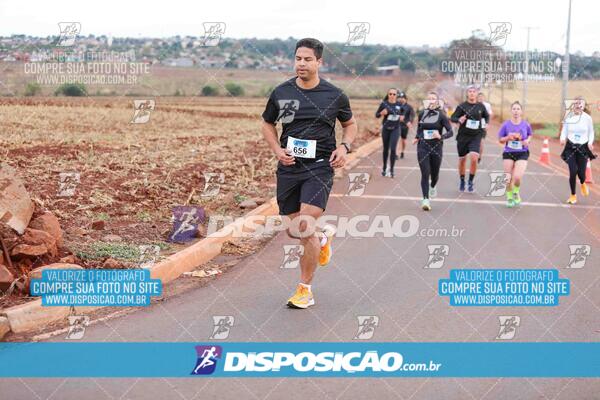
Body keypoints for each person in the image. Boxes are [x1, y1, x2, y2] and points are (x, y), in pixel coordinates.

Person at [261, 38, 357, 309]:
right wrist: (277, 150)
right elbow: (267, 124)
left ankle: (305, 289)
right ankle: (323, 235)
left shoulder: (334, 94)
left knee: (304, 225)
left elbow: (350, 124)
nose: (301, 64)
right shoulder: (281, 92)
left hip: (319, 166)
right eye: (298, 59)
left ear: (319, 62)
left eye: (307, 59)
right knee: (296, 230)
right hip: (290, 167)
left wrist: (344, 146)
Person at [413, 92, 454, 211]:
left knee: (434, 174)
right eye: (429, 98)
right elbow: (419, 129)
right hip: (422, 147)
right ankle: (425, 199)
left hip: (436, 148)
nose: (431, 101)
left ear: (437, 102)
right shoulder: (422, 114)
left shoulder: (442, 115)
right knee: (425, 173)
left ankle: (433, 185)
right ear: (426, 101)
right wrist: (417, 137)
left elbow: (450, 132)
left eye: (433, 99)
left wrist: (440, 136)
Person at [451, 85, 490, 193]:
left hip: (476, 136)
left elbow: (486, 116)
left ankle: (471, 181)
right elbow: (452, 117)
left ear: (477, 94)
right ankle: (462, 180)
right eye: (470, 91)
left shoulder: (481, 106)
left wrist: (486, 124)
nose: (472, 93)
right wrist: (459, 119)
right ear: (467, 93)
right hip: (463, 136)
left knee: (474, 158)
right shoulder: (462, 106)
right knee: (462, 160)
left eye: (474, 91)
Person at [560, 96, 595, 204]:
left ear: (583, 106)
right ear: (573, 105)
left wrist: (590, 143)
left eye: (580, 104)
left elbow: (591, 132)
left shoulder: (587, 118)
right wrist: (562, 138)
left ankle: (583, 183)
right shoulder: (568, 117)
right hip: (570, 147)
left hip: (583, 147)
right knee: (573, 171)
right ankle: (573, 195)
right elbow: (564, 130)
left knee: (581, 173)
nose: (578, 105)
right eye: (576, 103)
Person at [497, 101, 532, 207]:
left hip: (522, 152)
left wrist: (527, 141)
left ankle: (516, 192)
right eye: (514, 109)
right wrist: (508, 137)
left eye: (518, 109)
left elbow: (530, 134)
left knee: (517, 177)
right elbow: (500, 139)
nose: (516, 111)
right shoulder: (506, 125)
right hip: (509, 152)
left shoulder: (525, 124)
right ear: (511, 111)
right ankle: (509, 197)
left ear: (521, 111)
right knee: (508, 178)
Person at [375, 88, 402, 177]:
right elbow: (377, 115)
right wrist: (381, 113)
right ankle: (384, 167)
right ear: (388, 94)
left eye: (394, 94)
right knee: (386, 149)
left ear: (396, 95)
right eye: (390, 94)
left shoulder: (399, 104)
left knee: (393, 149)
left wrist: (403, 117)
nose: (392, 96)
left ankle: (392, 169)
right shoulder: (384, 104)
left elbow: (404, 114)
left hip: (396, 128)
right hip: (386, 129)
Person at [395, 91, 415, 160]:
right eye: (399, 98)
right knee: (397, 139)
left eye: (402, 98)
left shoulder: (409, 107)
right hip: (397, 124)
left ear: (405, 99)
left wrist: (410, 122)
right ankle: (396, 154)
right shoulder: (397, 106)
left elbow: (412, 115)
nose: (401, 99)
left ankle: (402, 151)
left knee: (403, 140)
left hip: (405, 125)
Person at [477, 92, 493, 164]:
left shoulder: (487, 105)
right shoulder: (474, 104)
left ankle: (479, 157)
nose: (480, 98)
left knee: (481, 142)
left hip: (483, 126)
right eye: (479, 97)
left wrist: (487, 124)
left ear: (484, 98)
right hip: (474, 126)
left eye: (482, 97)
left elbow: (489, 115)